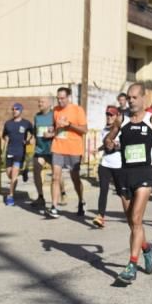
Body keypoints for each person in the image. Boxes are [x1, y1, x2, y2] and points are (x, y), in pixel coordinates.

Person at [103, 83, 152, 284]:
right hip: (124, 173)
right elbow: (109, 138)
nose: (131, 101)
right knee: (132, 222)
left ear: (143, 98)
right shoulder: (121, 119)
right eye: (129, 97)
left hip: (144, 173)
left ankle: (131, 265)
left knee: (136, 218)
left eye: (135, 97)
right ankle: (147, 248)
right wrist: (110, 142)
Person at [47, 87, 87, 218]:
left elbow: (84, 130)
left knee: (75, 178)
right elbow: (54, 127)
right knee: (55, 177)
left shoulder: (77, 109)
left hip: (73, 148)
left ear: (68, 97)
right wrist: (50, 133)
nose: (60, 100)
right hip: (58, 147)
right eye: (58, 98)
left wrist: (69, 125)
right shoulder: (56, 110)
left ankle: (81, 201)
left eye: (62, 98)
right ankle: (54, 206)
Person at [92, 107, 123, 228]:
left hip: (118, 165)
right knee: (103, 190)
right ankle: (101, 216)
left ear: (116, 117)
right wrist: (98, 149)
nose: (109, 117)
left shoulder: (121, 130)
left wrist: (117, 146)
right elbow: (106, 144)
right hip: (105, 164)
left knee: (121, 192)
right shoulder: (104, 130)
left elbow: (124, 145)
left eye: (112, 115)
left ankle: (131, 210)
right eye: (107, 115)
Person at [1, 103, 33, 207]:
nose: (14, 111)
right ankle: (23, 172)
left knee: (13, 176)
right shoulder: (8, 124)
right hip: (10, 151)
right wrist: (6, 140)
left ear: (21, 111)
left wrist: (28, 141)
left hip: (20, 152)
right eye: (13, 109)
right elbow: (4, 135)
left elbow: (33, 134)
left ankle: (10, 196)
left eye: (17, 109)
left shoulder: (26, 123)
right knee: (9, 174)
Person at [30, 97, 54, 209]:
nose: (40, 103)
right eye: (39, 101)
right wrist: (32, 138)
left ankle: (62, 192)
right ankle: (41, 197)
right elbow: (35, 132)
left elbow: (61, 131)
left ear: (49, 104)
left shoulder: (54, 115)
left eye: (42, 102)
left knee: (56, 175)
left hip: (52, 149)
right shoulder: (37, 116)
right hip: (40, 149)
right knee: (36, 170)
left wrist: (51, 134)